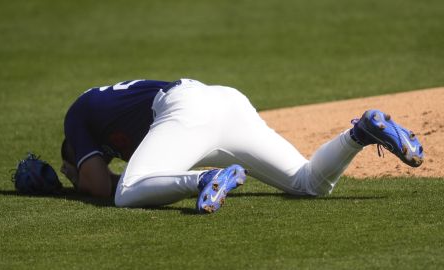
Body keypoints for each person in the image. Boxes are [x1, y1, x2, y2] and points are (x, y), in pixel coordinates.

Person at [60, 79, 424, 213]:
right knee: (309, 182)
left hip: (187, 110)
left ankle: (203, 180)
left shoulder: (77, 115)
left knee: (126, 193)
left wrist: (70, 178)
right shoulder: (108, 114)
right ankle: (360, 133)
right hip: (225, 101)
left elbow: (96, 184)